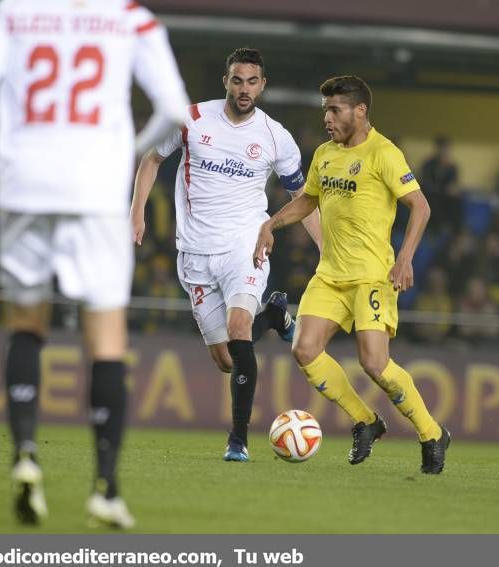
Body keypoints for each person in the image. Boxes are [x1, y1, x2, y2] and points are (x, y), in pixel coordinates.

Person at [0, 0, 190, 528]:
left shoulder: (11, 12)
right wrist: (125, 152)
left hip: (22, 183)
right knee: (106, 340)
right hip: (95, 191)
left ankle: (26, 455)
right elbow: (174, 108)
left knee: (27, 324)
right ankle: (105, 488)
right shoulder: (131, 18)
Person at [130, 47, 321, 462]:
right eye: (237, 80)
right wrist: (137, 212)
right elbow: (151, 159)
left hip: (245, 246)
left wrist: (327, 249)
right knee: (226, 360)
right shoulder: (192, 119)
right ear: (226, 81)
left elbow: (302, 198)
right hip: (194, 252)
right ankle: (274, 316)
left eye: (252, 81)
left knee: (238, 331)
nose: (244, 89)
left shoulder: (275, 137)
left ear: (262, 85)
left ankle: (238, 440)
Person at [254, 75, 451, 473]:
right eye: (325, 109)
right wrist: (269, 225)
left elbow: (421, 207)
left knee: (375, 365)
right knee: (305, 350)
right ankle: (365, 421)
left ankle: (432, 433)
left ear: (360, 111)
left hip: (372, 276)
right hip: (330, 275)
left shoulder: (384, 153)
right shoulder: (325, 154)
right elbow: (308, 201)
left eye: (335, 109)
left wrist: (406, 258)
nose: (327, 117)